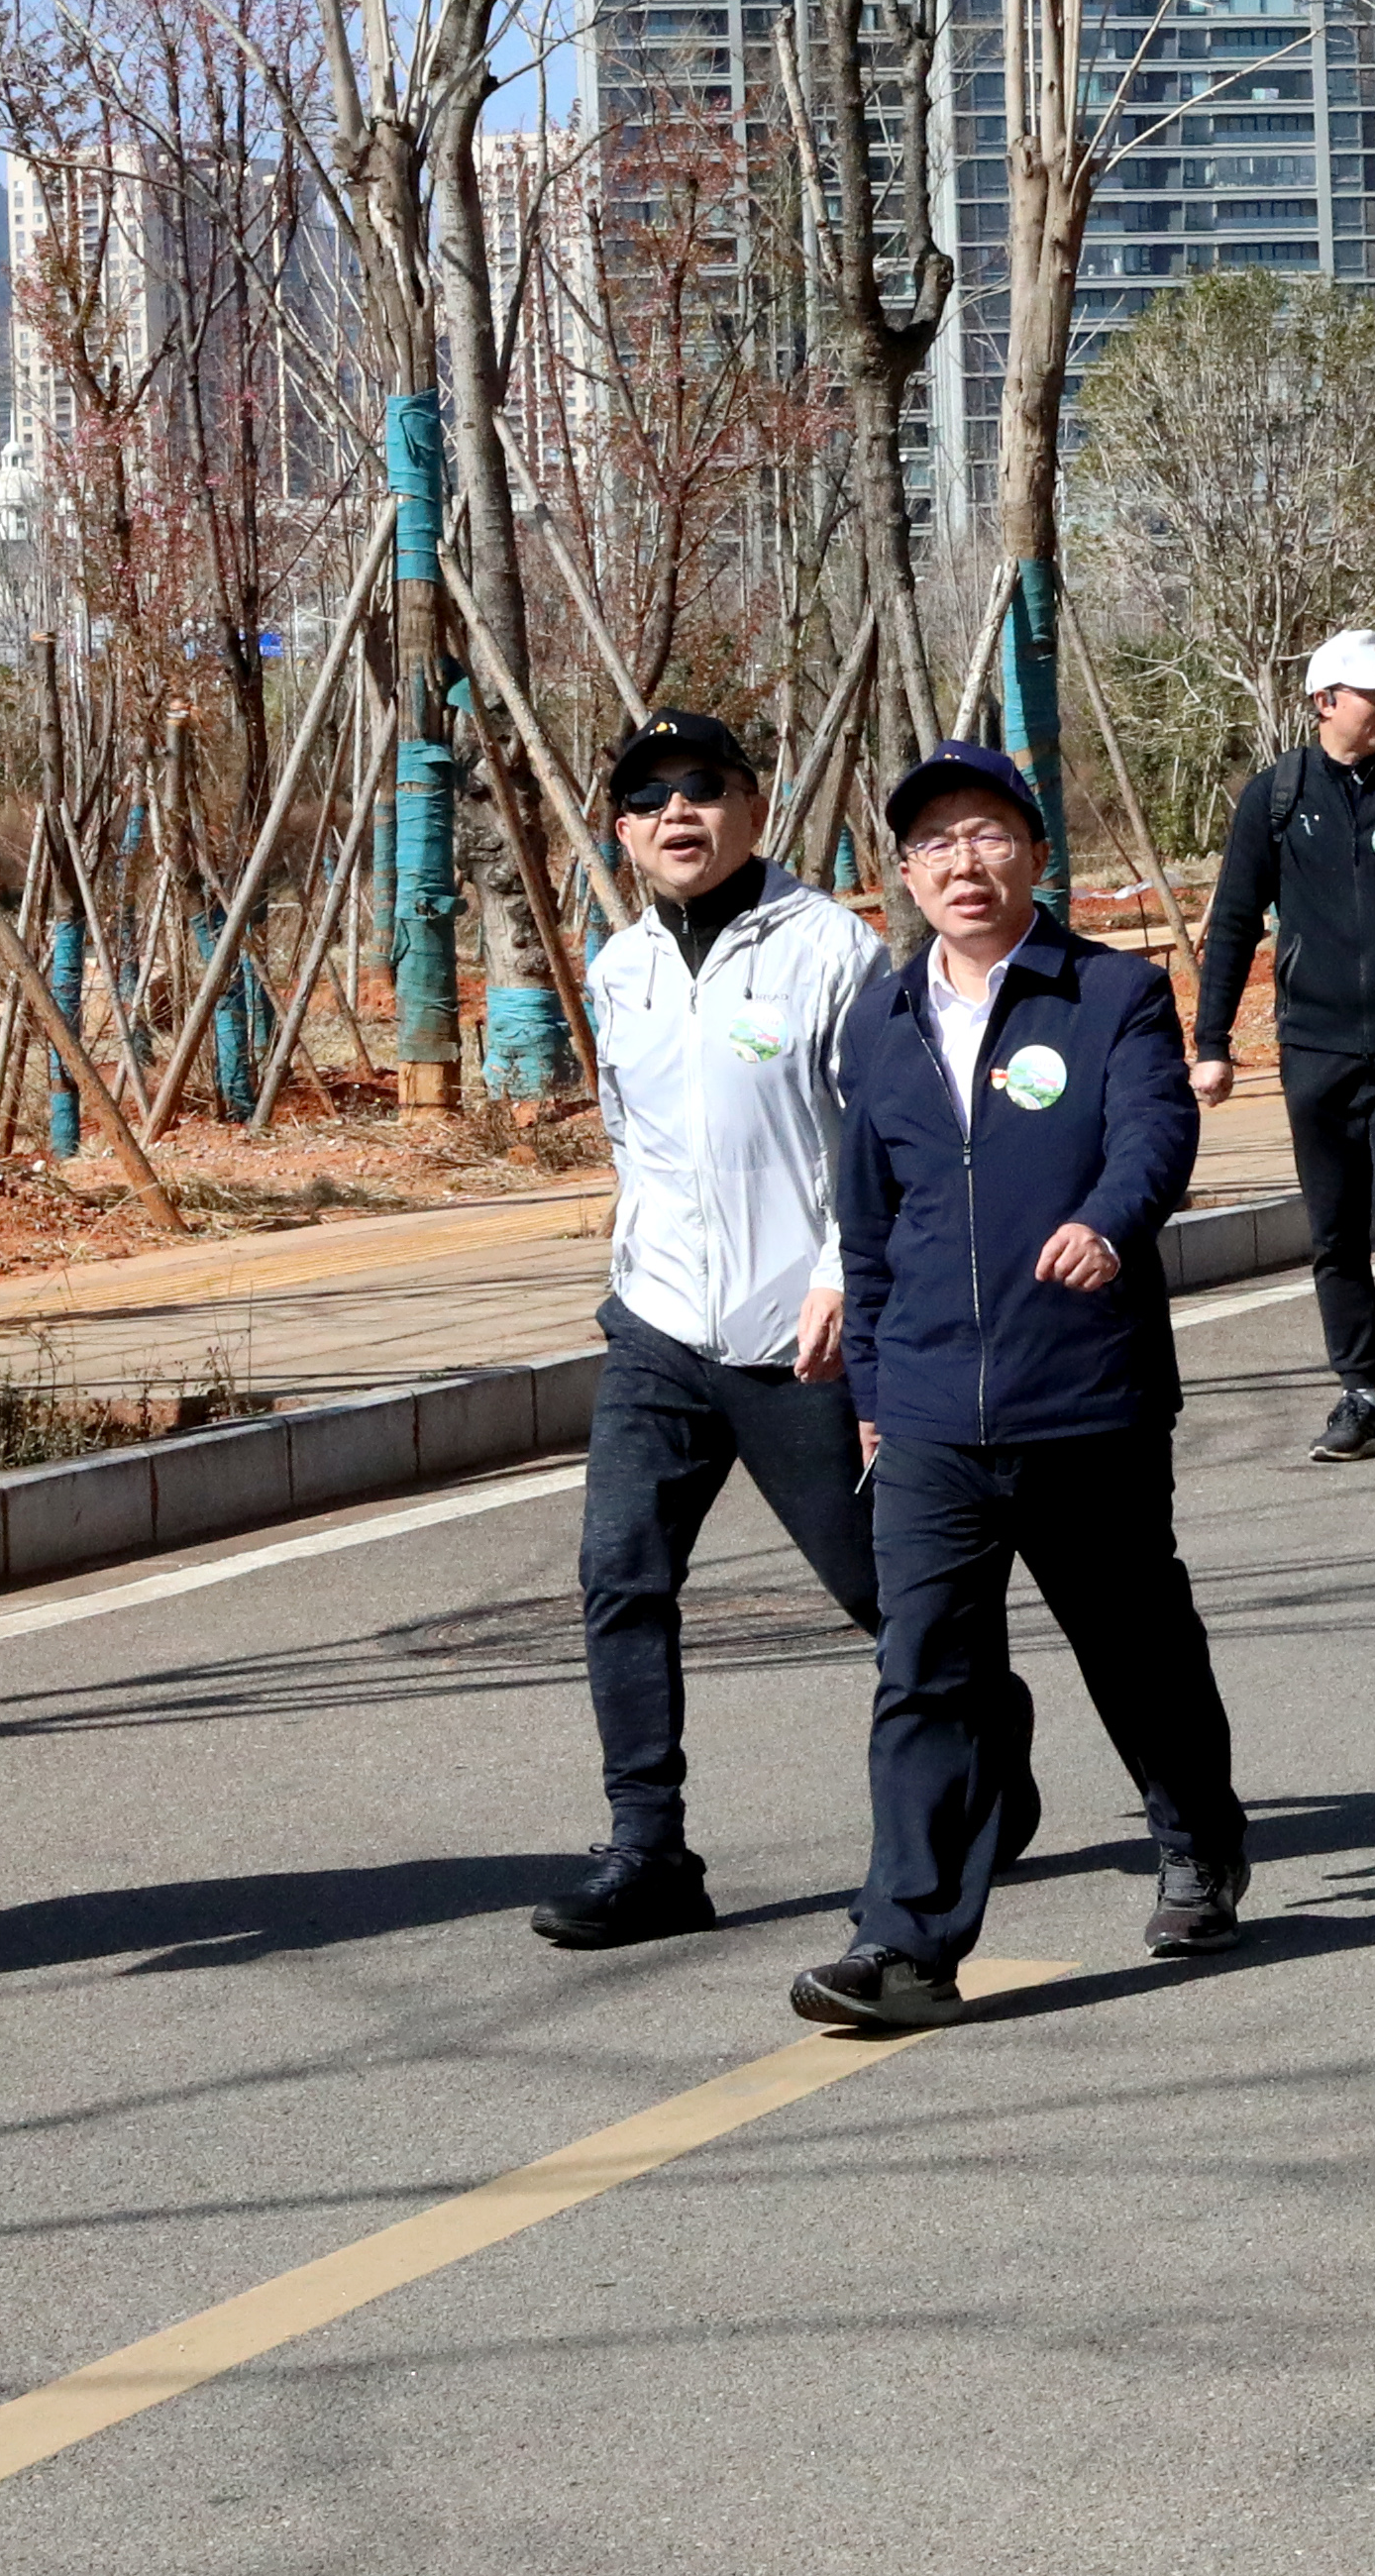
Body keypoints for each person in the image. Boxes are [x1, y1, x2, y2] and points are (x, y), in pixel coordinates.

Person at [801, 740, 1244, 2032]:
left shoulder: (1108, 994)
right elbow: (867, 1228)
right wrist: (875, 1388)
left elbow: (1155, 1130)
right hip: (934, 1412)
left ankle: (1196, 1843)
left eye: (988, 833)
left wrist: (1108, 1221)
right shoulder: (878, 1024)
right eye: (935, 842)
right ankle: (907, 1944)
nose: (964, 861)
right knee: (923, 1670)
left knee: (1134, 1645)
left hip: (1086, 1394)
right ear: (904, 874)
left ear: (1035, 855)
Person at [532, 711, 890, 1952]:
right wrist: (631, 1273)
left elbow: (879, 1137)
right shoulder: (619, 964)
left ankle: (975, 1755)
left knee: (880, 1588)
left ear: (752, 804)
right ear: (622, 831)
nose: (674, 813)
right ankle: (649, 1849)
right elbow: (633, 1136)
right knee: (619, 1575)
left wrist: (848, 1274)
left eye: (701, 788)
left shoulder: (832, 949)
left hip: (801, 1331)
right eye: (645, 798)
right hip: (657, 1328)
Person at [1193, 626, 1375, 1462]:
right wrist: (1211, 1039)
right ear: (1325, 701)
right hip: (1314, 1047)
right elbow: (1232, 926)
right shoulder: (1276, 797)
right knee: (1332, 1226)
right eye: (1373, 693)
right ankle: (1358, 1393)